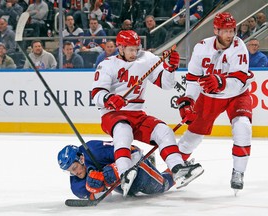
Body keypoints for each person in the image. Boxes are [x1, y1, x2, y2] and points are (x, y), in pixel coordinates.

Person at [91, 30, 204, 196]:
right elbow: (96, 94)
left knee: (163, 131)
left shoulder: (147, 59)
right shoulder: (107, 65)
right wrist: (109, 98)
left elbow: (166, 84)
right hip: (113, 115)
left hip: (138, 114)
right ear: (120, 48)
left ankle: (178, 169)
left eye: (136, 48)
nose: (134, 53)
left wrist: (170, 68)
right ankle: (124, 172)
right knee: (123, 130)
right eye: (130, 49)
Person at [175, 12, 254, 194]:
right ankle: (175, 167)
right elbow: (194, 79)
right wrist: (188, 101)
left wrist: (220, 82)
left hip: (237, 95)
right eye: (225, 30)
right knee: (191, 136)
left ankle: (238, 172)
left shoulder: (239, 46)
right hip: (209, 97)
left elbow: (239, 81)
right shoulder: (201, 47)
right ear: (216, 30)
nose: (230, 34)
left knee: (243, 127)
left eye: (232, 30)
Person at [57, 140, 175, 200]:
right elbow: (107, 198)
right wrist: (100, 190)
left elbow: (134, 152)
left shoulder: (94, 150)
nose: (75, 173)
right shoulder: (76, 186)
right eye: (70, 171)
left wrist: (117, 169)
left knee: (162, 186)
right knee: (111, 179)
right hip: (123, 186)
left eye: (74, 167)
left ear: (81, 158)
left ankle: (177, 172)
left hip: (138, 170)